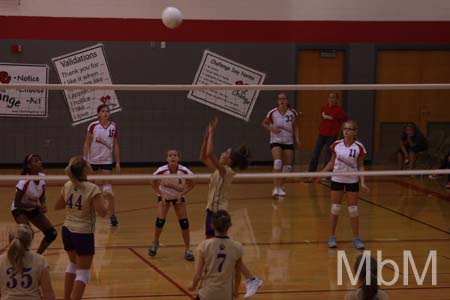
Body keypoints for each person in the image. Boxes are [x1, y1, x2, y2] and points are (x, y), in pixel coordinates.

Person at [200, 117, 262, 298]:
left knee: (219, 249)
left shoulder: (225, 171)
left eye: (226, 152)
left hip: (218, 214)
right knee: (212, 248)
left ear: (230, 160)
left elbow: (210, 154)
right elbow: (203, 157)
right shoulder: (221, 170)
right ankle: (242, 279)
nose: (222, 153)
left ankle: (250, 279)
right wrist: (205, 139)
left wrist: (212, 134)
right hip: (211, 212)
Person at [54, 155, 109, 300]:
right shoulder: (92, 188)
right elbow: (103, 213)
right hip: (83, 233)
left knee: (72, 264)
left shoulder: (67, 185)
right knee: (83, 273)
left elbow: (57, 206)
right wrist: (107, 198)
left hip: (67, 230)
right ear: (85, 169)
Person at [319, 120, 369, 249]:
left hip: (352, 180)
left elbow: (361, 165)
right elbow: (331, 162)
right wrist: (321, 174)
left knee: (353, 210)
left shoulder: (359, 147)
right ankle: (331, 237)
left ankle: (357, 238)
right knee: (335, 208)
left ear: (355, 132)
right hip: (337, 179)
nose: (346, 131)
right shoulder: (336, 145)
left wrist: (362, 182)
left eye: (349, 129)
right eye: (345, 129)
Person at [148, 149, 196, 261]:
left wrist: (182, 194)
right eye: (170, 156)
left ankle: (188, 249)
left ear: (178, 158)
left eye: (175, 155)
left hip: (178, 198)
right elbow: (152, 181)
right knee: (160, 221)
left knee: (184, 223)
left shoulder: (183, 170)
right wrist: (161, 194)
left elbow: (192, 183)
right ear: (167, 159)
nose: (173, 157)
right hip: (165, 197)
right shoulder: (162, 170)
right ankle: (155, 243)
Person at [188, 210, 242, 300]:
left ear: (212, 225)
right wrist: (235, 291)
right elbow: (238, 275)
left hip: (207, 294)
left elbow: (198, 274)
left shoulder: (205, 245)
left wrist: (193, 286)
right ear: (230, 225)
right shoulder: (237, 247)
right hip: (226, 295)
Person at [11, 154, 57, 254]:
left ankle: (37, 256)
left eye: (40, 160)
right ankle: (19, 255)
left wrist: (43, 204)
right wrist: (35, 206)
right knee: (27, 234)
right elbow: (17, 203)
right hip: (19, 209)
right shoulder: (24, 181)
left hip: (33, 208)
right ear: (29, 166)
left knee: (52, 233)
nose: (40, 162)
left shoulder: (42, 177)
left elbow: (42, 195)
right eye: (36, 161)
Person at [83, 104, 120, 226]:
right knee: (90, 189)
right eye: (103, 111)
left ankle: (112, 215)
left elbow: (115, 145)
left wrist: (118, 162)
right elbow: (87, 144)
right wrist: (85, 159)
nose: (105, 113)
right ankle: (88, 214)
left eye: (107, 111)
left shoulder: (113, 126)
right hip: (92, 161)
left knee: (108, 190)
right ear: (98, 113)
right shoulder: (93, 126)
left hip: (106, 161)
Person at [0, 224, 55, 300]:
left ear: (10, 240)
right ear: (30, 241)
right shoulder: (40, 260)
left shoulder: (1, 260)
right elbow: (48, 292)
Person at [262, 92, 301, 197]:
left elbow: (296, 126)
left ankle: (281, 186)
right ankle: (275, 188)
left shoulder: (292, 113)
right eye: (280, 99)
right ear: (277, 101)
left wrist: (297, 139)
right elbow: (264, 123)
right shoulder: (273, 112)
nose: (282, 101)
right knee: (278, 162)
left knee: (288, 167)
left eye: (284, 99)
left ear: (287, 100)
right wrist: (272, 128)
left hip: (288, 140)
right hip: (276, 140)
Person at [308, 92, 347, 172]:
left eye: (333, 98)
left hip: (332, 135)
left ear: (336, 100)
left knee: (329, 155)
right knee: (315, 153)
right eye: (330, 97)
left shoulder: (339, 110)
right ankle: (311, 172)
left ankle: (326, 174)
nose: (331, 99)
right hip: (322, 134)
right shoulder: (324, 107)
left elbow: (344, 119)